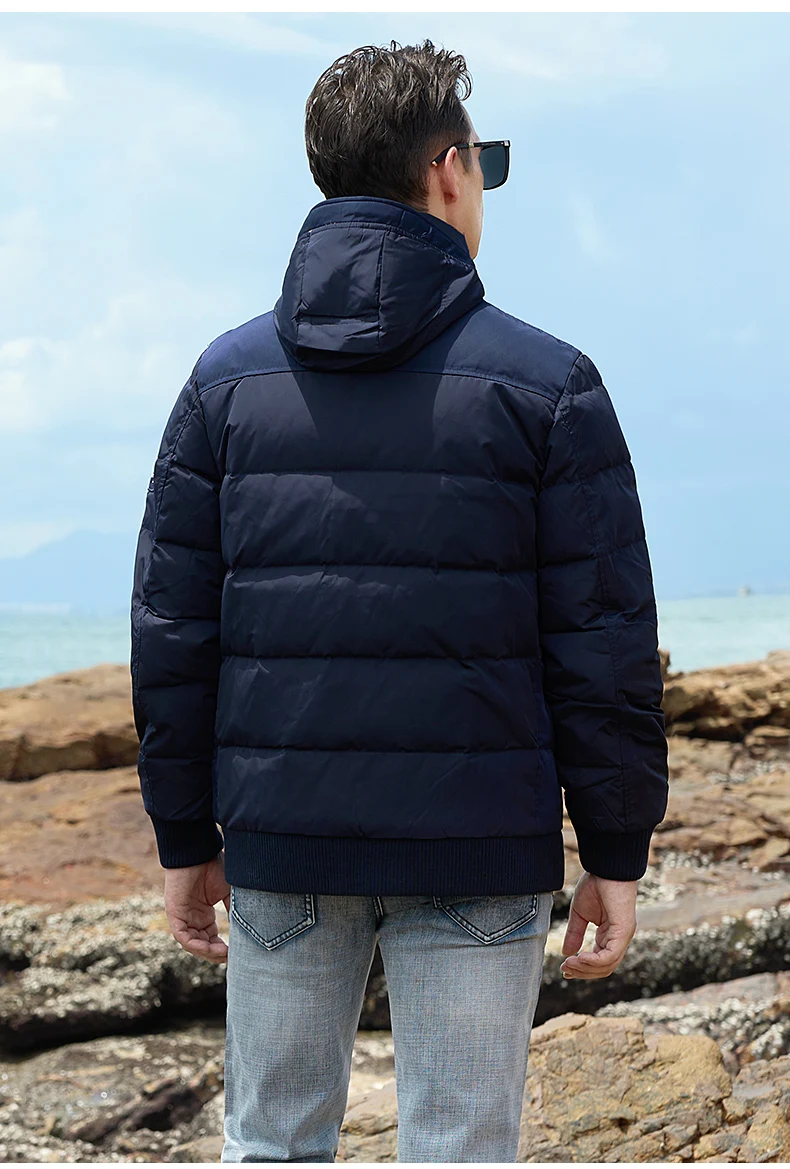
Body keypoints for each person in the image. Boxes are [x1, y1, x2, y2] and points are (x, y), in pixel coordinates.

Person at [130, 38, 669, 1164]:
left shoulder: (224, 384)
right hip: (477, 845)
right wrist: (615, 847)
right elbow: (602, 640)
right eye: (485, 162)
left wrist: (185, 832)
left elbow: (174, 634)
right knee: (459, 1149)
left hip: (284, 839)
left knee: (272, 1144)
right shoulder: (548, 385)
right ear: (447, 169)